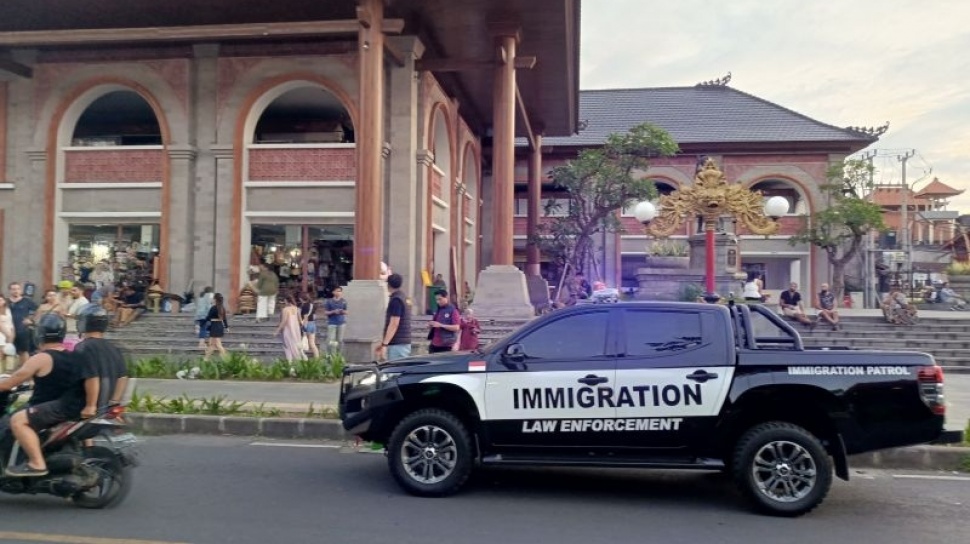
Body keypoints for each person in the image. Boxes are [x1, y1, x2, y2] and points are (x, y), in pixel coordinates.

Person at [0, 314, 85, 477]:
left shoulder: (41, 358)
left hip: (44, 407)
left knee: (9, 422)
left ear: (40, 334)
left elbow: (9, 383)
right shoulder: (74, 356)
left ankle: (36, 464)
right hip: (65, 406)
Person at [73, 303, 129, 419]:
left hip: (84, 405)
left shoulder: (83, 347)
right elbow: (123, 377)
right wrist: (114, 401)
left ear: (84, 322)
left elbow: (91, 376)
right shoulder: (113, 348)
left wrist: (91, 405)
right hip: (106, 407)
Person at [376, 273, 411, 361]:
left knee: (395, 372)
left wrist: (384, 344)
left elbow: (394, 323)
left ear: (388, 284)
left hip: (397, 343)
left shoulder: (396, 300)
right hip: (402, 341)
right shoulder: (403, 297)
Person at [8, 282, 38, 365]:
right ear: (9, 290)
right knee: (7, 351)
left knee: (24, 351)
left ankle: (25, 371)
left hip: (23, 331)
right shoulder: (5, 302)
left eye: (17, 289)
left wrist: (31, 320)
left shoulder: (27, 301)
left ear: (20, 290)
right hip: (8, 331)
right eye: (13, 289)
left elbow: (38, 311)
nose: (16, 291)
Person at [275, 296, 306, 363]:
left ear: (287, 301)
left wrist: (277, 331)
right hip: (296, 330)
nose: (284, 302)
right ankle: (299, 360)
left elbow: (284, 321)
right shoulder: (297, 309)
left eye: (284, 301)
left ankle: (290, 363)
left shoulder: (285, 309)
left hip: (288, 330)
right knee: (296, 345)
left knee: (287, 346)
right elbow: (300, 321)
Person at [63, 282, 90, 350]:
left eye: (74, 290)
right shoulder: (75, 300)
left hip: (75, 332)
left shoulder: (84, 302)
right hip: (69, 330)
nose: (72, 292)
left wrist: (67, 315)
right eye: (71, 290)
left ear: (81, 291)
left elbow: (81, 316)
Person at [203, 293, 229, 361]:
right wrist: (226, 327)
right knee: (212, 344)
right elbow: (224, 319)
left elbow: (208, 317)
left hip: (214, 326)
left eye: (213, 298)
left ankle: (226, 359)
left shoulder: (213, 308)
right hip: (219, 326)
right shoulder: (222, 308)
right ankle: (206, 359)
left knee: (217, 344)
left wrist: (202, 323)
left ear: (215, 299)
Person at [323, 287, 347, 355]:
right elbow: (325, 312)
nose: (338, 293)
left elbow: (346, 311)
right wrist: (333, 311)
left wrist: (342, 311)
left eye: (340, 291)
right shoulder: (329, 301)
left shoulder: (343, 301)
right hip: (332, 323)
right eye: (337, 291)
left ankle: (339, 356)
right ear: (333, 292)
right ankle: (332, 356)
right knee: (331, 340)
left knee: (340, 340)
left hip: (341, 323)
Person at [299, 292, 321, 359]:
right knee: (312, 343)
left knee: (302, 343)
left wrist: (304, 328)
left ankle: (302, 357)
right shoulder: (312, 305)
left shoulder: (304, 306)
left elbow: (305, 317)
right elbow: (314, 316)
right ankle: (317, 358)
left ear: (301, 299)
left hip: (307, 324)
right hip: (313, 324)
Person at [0, 297, 15, 372]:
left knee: (10, 353)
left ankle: (8, 372)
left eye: (1, 300)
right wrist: (7, 335)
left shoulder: (8, 310)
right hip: (1, 335)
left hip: (10, 333)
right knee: (1, 354)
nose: (1, 301)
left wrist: (12, 335)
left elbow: (11, 323)